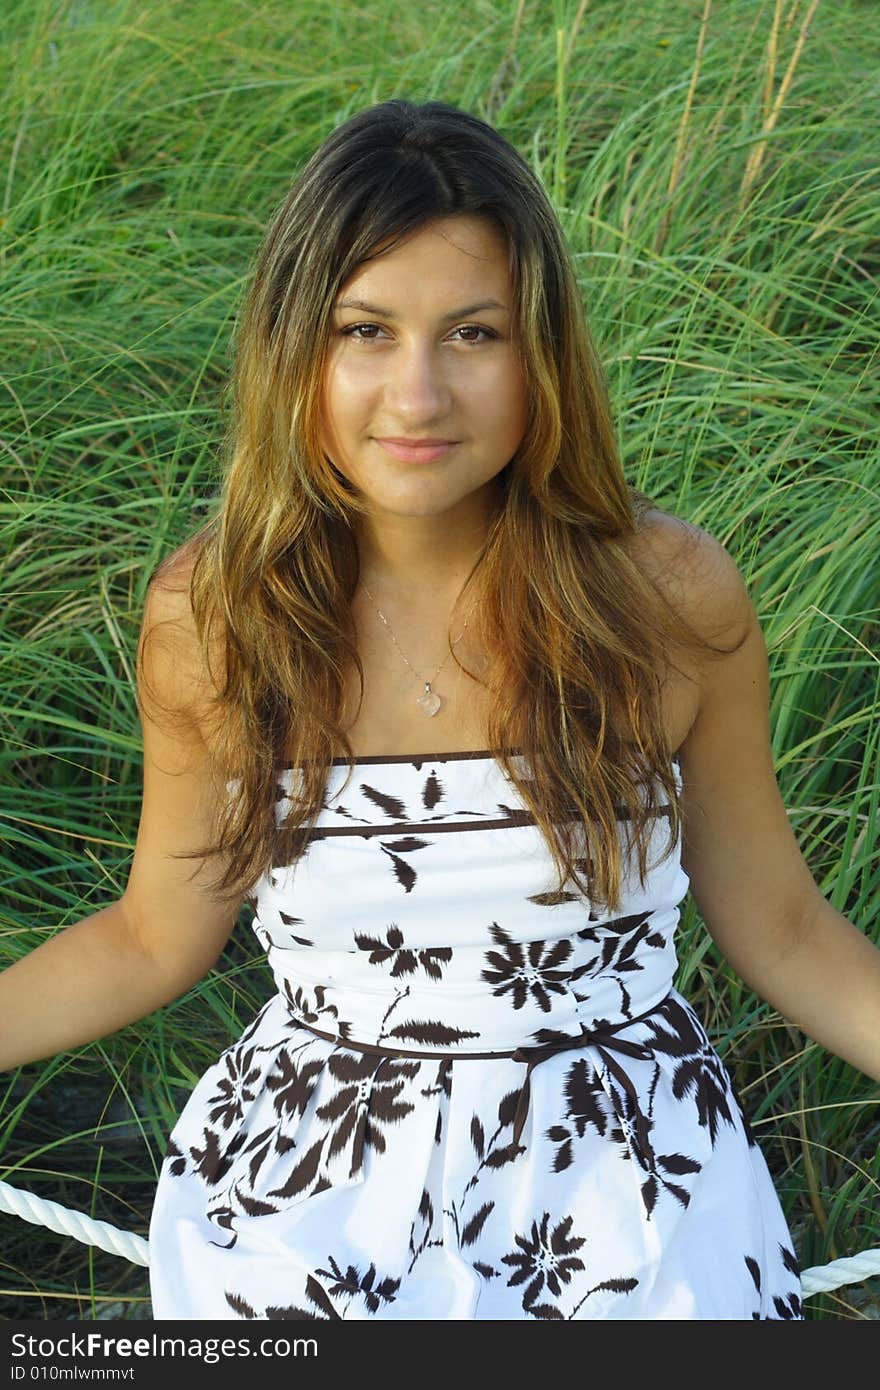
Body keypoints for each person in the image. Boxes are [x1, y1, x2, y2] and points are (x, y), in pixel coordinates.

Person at [2, 98, 879, 1323]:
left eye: (472, 334)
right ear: (295, 349)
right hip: (306, 1209)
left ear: (542, 357)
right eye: (366, 330)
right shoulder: (217, 616)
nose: (416, 393)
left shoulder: (666, 597)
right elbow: (153, 935)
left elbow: (782, 926)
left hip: (632, 1200)